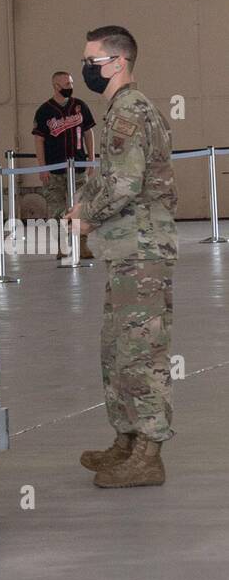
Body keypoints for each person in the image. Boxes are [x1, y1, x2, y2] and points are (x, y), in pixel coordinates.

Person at [66, 26, 178, 488]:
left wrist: (87, 217)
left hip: (142, 250)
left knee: (141, 353)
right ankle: (127, 440)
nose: (86, 69)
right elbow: (108, 174)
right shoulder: (117, 111)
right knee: (116, 351)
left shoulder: (130, 110)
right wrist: (80, 205)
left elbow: (126, 184)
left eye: (92, 61)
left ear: (118, 62)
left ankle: (149, 454)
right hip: (126, 250)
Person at [33, 70, 96, 257]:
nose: (70, 87)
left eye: (71, 83)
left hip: (77, 166)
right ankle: (61, 245)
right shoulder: (44, 110)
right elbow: (39, 140)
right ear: (56, 86)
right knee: (57, 209)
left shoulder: (80, 106)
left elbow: (88, 132)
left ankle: (82, 244)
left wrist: (91, 158)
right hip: (55, 168)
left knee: (82, 206)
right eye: (66, 84)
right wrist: (42, 166)